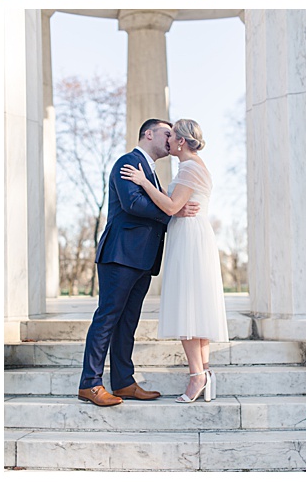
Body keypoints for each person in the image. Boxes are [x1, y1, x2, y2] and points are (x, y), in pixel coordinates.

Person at [78, 119, 198, 406]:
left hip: (142, 258)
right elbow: (132, 203)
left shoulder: (151, 171)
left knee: (127, 322)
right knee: (107, 318)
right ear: (149, 134)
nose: (171, 139)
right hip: (120, 254)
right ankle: (90, 383)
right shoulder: (128, 162)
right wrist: (173, 213)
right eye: (166, 133)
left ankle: (123, 382)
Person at [120, 119, 229, 403]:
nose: (167, 141)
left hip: (190, 239)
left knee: (187, 308)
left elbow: (170, 206)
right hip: (194, 235)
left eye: (170, 136)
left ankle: (197, 377)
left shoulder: (190, 167)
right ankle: (204, 372)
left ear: (180, 141)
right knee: (196, 309)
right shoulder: (195, 166)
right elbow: (176, 206)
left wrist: (143, 182)